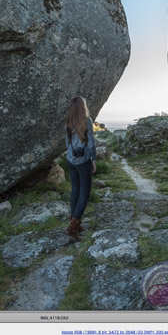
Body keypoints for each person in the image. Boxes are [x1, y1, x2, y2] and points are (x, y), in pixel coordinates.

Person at [64, 96, 97, 241]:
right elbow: (91, 144)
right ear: (82, 107)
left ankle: (74, 221)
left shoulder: (68, 121)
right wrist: (93, 160)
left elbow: (67, 143)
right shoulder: (87, 121)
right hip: (83, 162)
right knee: (84, 194)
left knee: (75, 191)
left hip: (70, 161)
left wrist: (71, 156)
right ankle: (72, 228)